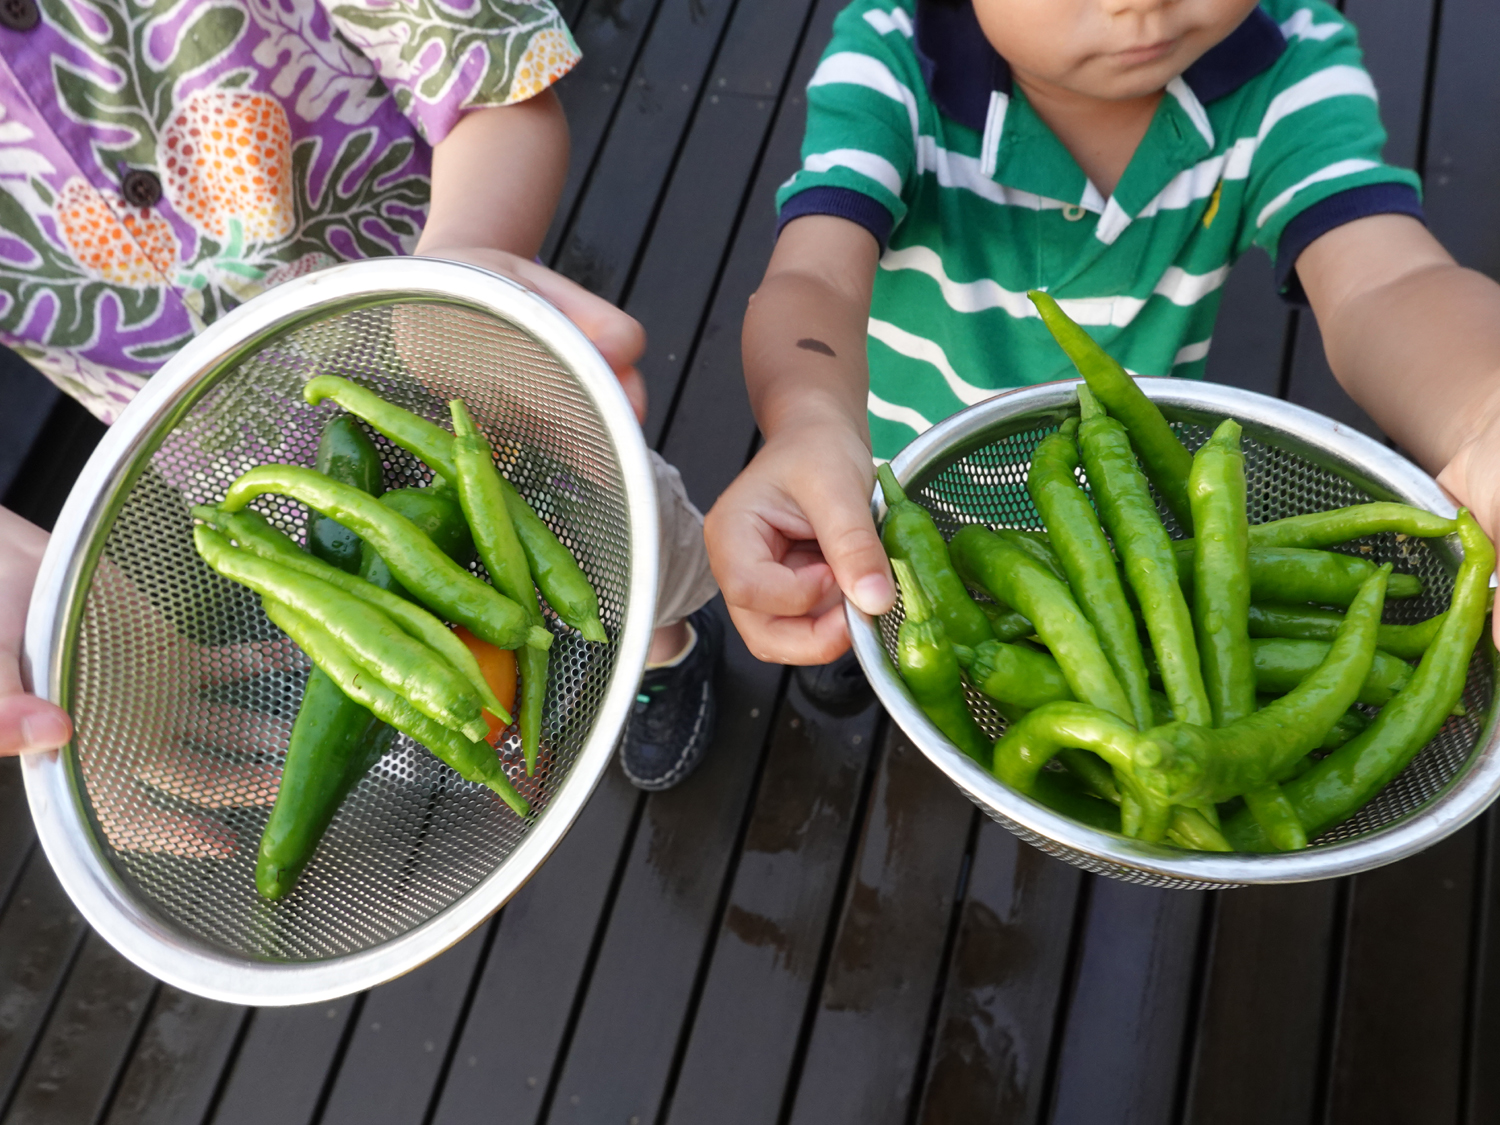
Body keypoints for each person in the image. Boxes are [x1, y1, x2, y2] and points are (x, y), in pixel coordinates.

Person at [0, 0, 720, 790]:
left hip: (467, 358)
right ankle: (491, 695)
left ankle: (665, 637)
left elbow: (490, 69)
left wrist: (450, 272)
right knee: (392, 602)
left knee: (608, 527)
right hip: (229, 451)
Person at [705, 0, 1500, 669]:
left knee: (1083, 641)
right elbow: (817, 275)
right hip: (886, 476)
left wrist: (1487, 412)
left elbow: (1387, 282)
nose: (1143, 5)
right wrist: (808, 419)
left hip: (1124, 495)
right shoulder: (894, 62)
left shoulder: (1289, 67)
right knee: (870, 598)